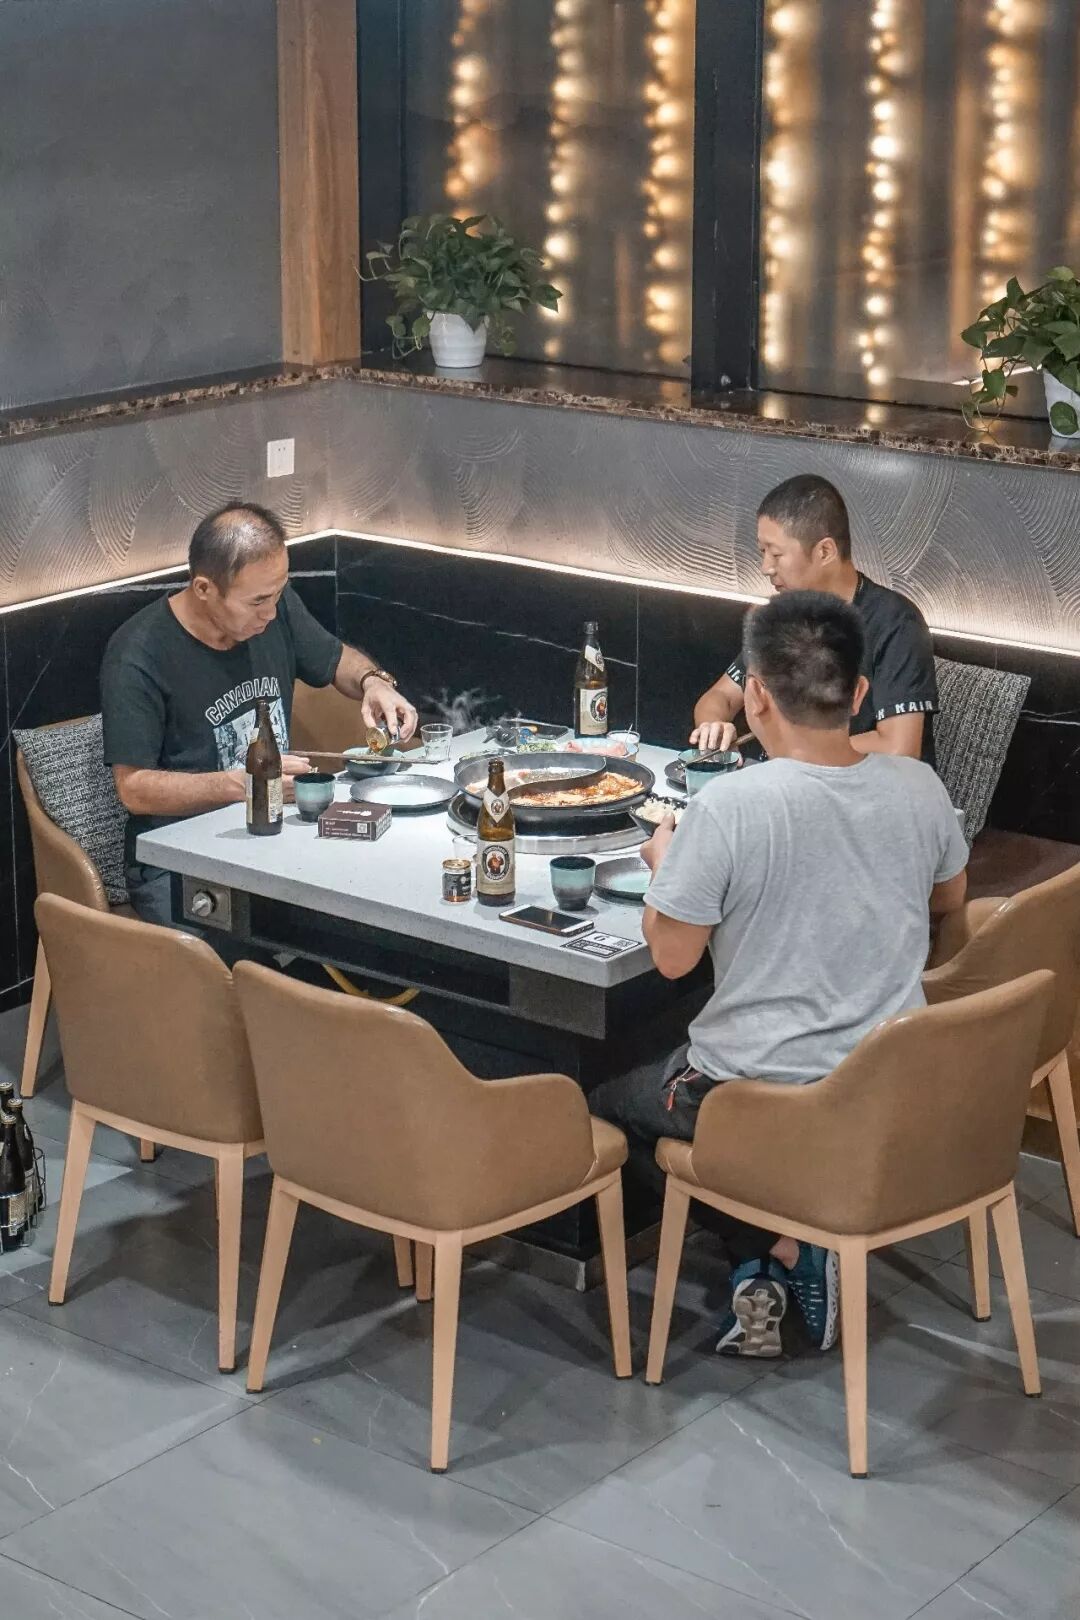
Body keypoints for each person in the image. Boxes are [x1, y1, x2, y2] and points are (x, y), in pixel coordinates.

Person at [591, 590, 968, 1357]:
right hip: (886, 1084)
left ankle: (778, 1245)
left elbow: (673, 957)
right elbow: (949, 897)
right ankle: (777, 1256)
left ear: (755, 696)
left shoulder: (730, 806)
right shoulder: (920, 788)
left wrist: (666, 867)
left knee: (601, 1099)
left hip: (758, 1096)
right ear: (859, 695)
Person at [101, 501, 418, 927]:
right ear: (204, 589)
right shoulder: (138, 654)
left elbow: (334, 659)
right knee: (252, 956)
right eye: (257, 602)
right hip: (181, 861)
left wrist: (373, 682)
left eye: (279, 592)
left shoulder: (275, 610)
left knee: (378, 904)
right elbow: (134, 789)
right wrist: (241, 784)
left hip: (275, 835)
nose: (270, 612)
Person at [693, 474, 938, 766]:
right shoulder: (785, 616)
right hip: (786, 780)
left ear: (825, 551)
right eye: (762, 552)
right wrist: (713, 727)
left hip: (864, 787)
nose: (765, 567)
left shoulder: (896, 623)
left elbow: (899, 747)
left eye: (776, 554)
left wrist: (791, 752)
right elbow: (720, 696)